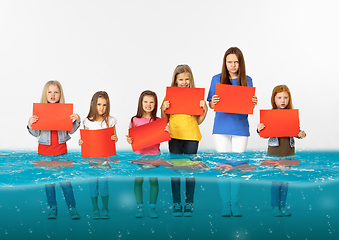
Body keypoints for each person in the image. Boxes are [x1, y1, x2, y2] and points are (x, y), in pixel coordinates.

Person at [207, 47, 257, 217]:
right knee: (223, 166)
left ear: (240, 63)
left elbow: (247, 106)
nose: (233, 65)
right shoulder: (217, 79)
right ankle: (224, 204)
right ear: (225, 63)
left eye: (236, 62)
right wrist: (213, 102)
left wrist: (253, 102)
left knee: (237, 167)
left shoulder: (247, 80)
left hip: (240, 128)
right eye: (230, 62)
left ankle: (234, 204)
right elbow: (211, 105)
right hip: (221, 127)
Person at [27, 80, 81, 220]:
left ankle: (72, 207)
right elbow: (35, 134)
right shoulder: (40, 112)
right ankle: (53, 208)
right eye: (49, 92)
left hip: (61, 153)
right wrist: (30, 125)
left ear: (60, 95)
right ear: (45, 94)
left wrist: (77, 121)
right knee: (49, 183)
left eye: (56, 92)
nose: (52, 94)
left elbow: (70, 131)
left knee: (66, 182)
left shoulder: (64, 112)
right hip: (44, 154)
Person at [161, 64, 208, 217]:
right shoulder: (169, 96)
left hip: (191, 136)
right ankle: (176, 202)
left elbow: (199, 121)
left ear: (190, 80)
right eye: (181, 79)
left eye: (187, 79)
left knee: (190, 170)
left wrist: (205, 109)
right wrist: (163, 108)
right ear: (175, 80)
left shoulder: (195, 95)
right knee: (175, 169)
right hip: (174, 136)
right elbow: (164, 120)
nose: (184, 82)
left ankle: (189, 203)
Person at [257, 84, 306, 217]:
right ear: (274, 99)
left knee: (285, 181)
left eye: (285, 97)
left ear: (289, 99)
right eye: (279, 97)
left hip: (289, 153)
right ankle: (275, 207)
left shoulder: (292, 115)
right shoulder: (269, 115)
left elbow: (296, 131)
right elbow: (265, 134)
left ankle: (282, 206)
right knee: (275, 181)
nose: (282, 100)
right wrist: (259, 128)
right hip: (274, 153)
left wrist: (301, 134)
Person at [126, 90, 170, 218]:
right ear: (141, 103)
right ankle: (140, 207)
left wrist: (168, 130)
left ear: (155, 105)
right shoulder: (134, 120)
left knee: (153, 182)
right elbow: (131, 139)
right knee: (138, 182)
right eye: (145, 101)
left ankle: (152, 208)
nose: (148, 104)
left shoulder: (158, 120)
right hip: (139, 156)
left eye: (151, 102)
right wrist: (129, 140)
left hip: (154, 156)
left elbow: (164, 136)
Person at [79, 91, 118, 219]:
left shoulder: (110, 121)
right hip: (91, 159)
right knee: (92, 185)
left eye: (104, 105)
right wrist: (81, 142)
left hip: (105, 159)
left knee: (103, 185)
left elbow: (114, 138)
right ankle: (95, 209)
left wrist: (114, 138)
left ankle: (105, 208)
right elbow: (85, 140)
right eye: (99, 104)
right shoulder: (87, 122)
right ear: (92, 104)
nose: (101, 108)